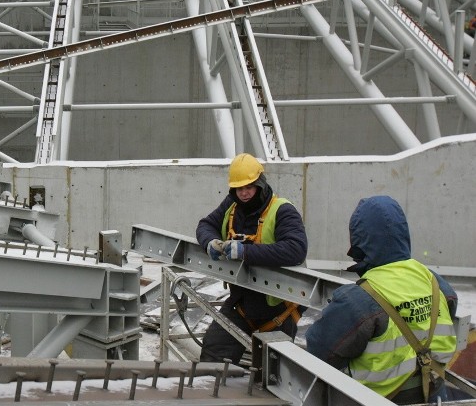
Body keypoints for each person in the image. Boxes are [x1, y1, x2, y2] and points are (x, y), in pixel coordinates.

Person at [306, 196, 460, 405]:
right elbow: (450, 310)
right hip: (434, 392)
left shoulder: (357, 299)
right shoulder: (434, 281)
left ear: (359, 241)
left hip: (378, 399)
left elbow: (319, 349)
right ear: (402, 233)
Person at [195, 153, 308, 365]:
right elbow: (205, 225)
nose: (244, 193)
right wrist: (209, 242)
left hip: (278, 310)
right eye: (239, 188)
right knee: (214, 354)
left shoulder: (282, 210)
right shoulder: (232, 206)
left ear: (260, 184)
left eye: (249, 187)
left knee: (271, 377)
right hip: (242, 305)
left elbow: (296, 249)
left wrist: (245, 252)